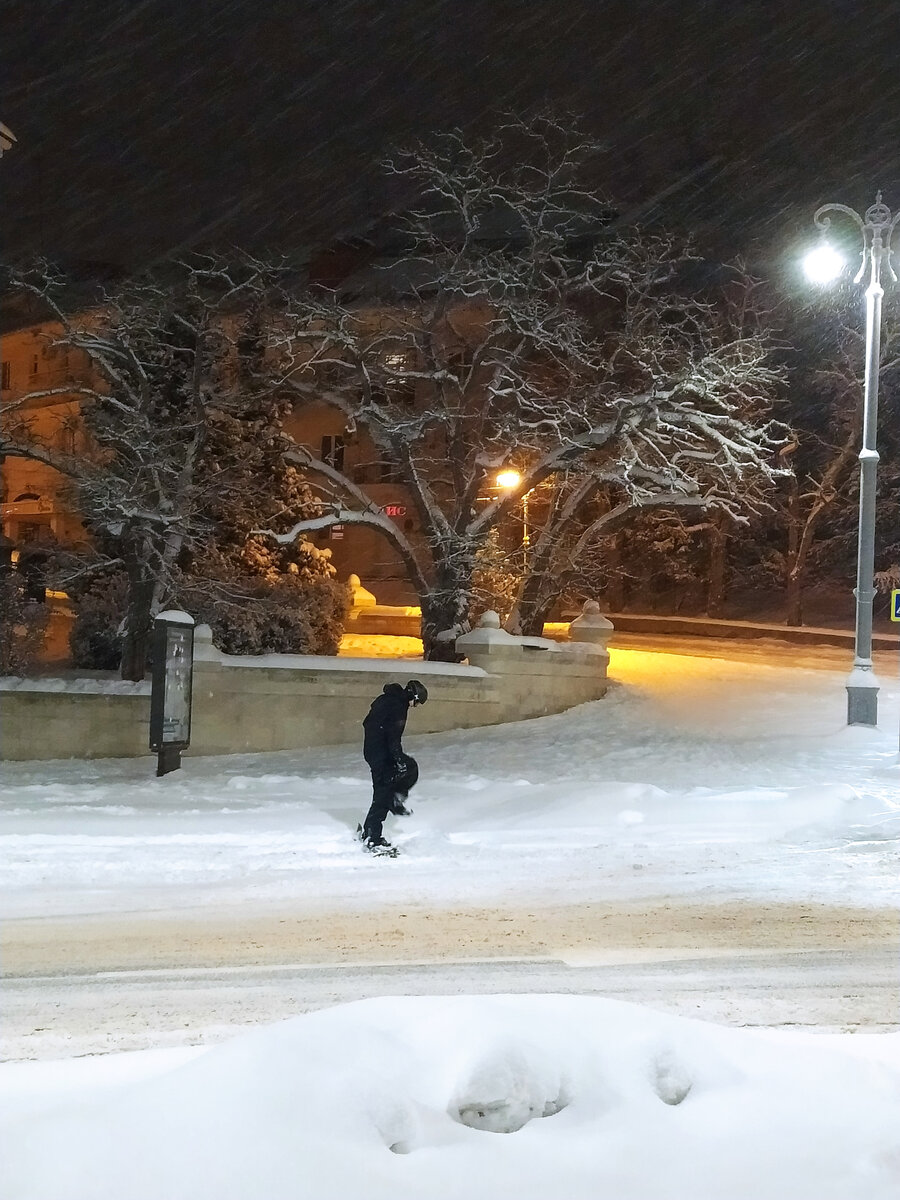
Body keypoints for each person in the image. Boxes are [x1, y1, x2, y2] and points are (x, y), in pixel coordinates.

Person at [359, 679, 428, 852]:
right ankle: (373, 837)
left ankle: (371, 829)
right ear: (413, 695)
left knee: (388, 784)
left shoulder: (387, 699)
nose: (415, 706)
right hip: (382, 753)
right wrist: (397, 758)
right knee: (384, 791)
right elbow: (393, 735)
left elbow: (369, 724)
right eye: (417, 702)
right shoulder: (398, 706)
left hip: (374, 750)